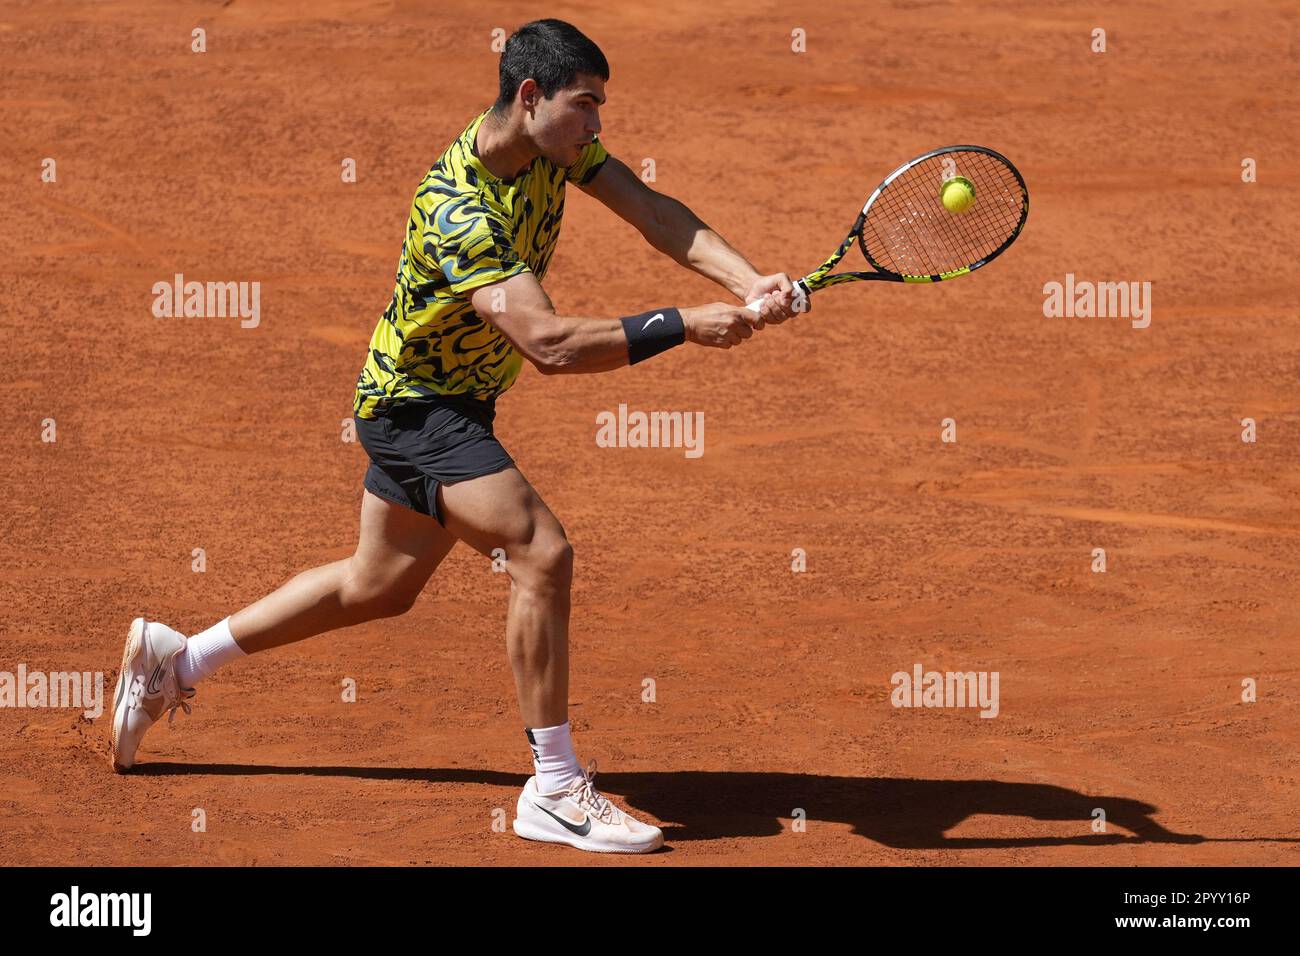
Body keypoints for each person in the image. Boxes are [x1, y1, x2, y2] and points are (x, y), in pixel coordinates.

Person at [110, 17, 799, 854]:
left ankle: (174, 662)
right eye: (587, 106)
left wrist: (746, 277)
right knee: (541, 553)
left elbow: (652, 210)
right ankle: (553, 787)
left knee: (378, 586)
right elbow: (546, 344)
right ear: (531, 96)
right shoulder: (458, 207)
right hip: (418, 407)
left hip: (454, 402)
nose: (598, 126)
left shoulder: (559, 150)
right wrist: (685, 324)